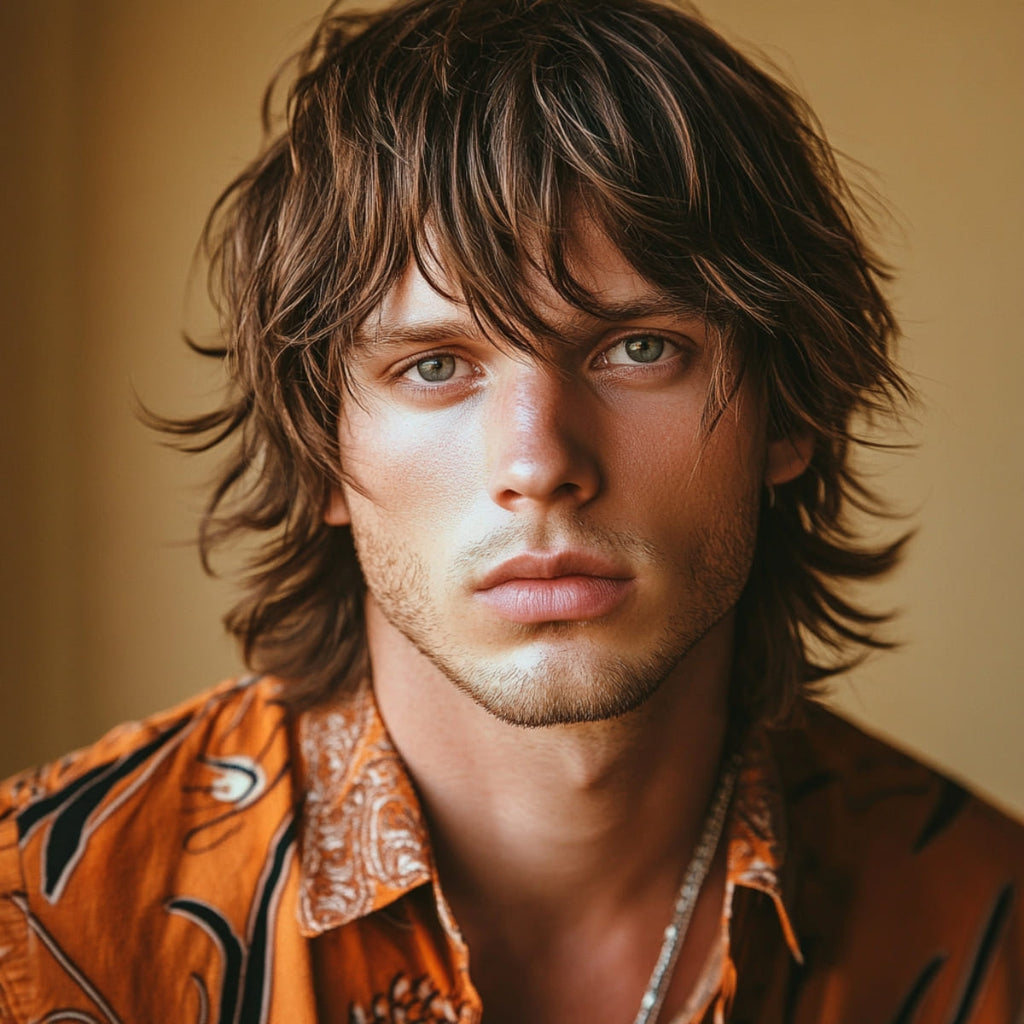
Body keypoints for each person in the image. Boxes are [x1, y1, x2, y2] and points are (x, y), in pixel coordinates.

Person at [0, 0, 1021, 1020]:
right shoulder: (42, 927)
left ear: (783, 415)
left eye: (637, 348)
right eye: (436, 365)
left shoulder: (989, 927)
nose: (539, 463)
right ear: (320, 453)